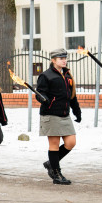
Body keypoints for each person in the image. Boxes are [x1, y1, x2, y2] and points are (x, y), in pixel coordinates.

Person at [36, 48, 81, 185]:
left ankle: (51, 163)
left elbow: (71, 96)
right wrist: (44, 98)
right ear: (53, 60)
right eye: (61, 59)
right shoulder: (46, 75)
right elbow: (39, 93)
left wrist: (77, 111)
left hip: (64, 114)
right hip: (51, 113)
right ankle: (56, 173)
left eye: (65, 58)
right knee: (54, 145)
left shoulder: (67, 75)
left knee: (71, 142)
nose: (64, 61)